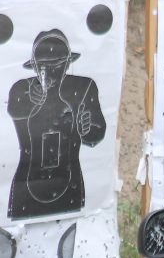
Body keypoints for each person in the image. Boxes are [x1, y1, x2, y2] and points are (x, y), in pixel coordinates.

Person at [7, 28, 107, 220]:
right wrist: (30, 99)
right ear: (35, 67)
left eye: (57, 64)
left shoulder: (84, 88)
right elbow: (15, 106)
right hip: (26, 185)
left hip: (69, 185)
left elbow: (97, 133)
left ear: (68, 63)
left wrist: (87, 130)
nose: (51, 72)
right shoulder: (21, 88)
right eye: (44, 66)